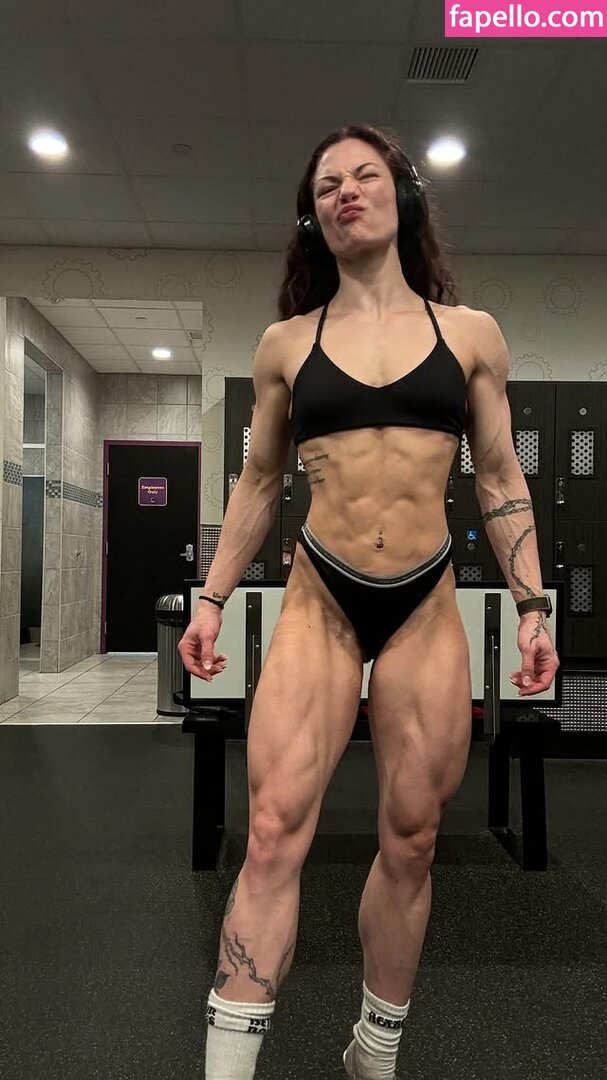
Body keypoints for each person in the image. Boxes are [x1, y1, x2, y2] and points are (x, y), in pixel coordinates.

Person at [178, 123, 560, 1080]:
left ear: (403, 194)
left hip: (424, 603)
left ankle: (372, 1053)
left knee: (414, 838)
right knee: (272, 832)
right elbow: (258, 481)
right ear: (312, 218)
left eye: (365, 175)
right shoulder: (286, 344)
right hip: (320, 599)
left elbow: (500, 477)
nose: (346, 191)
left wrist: (532, 607)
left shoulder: (469, 335)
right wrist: (212, 598)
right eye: (326, 185)